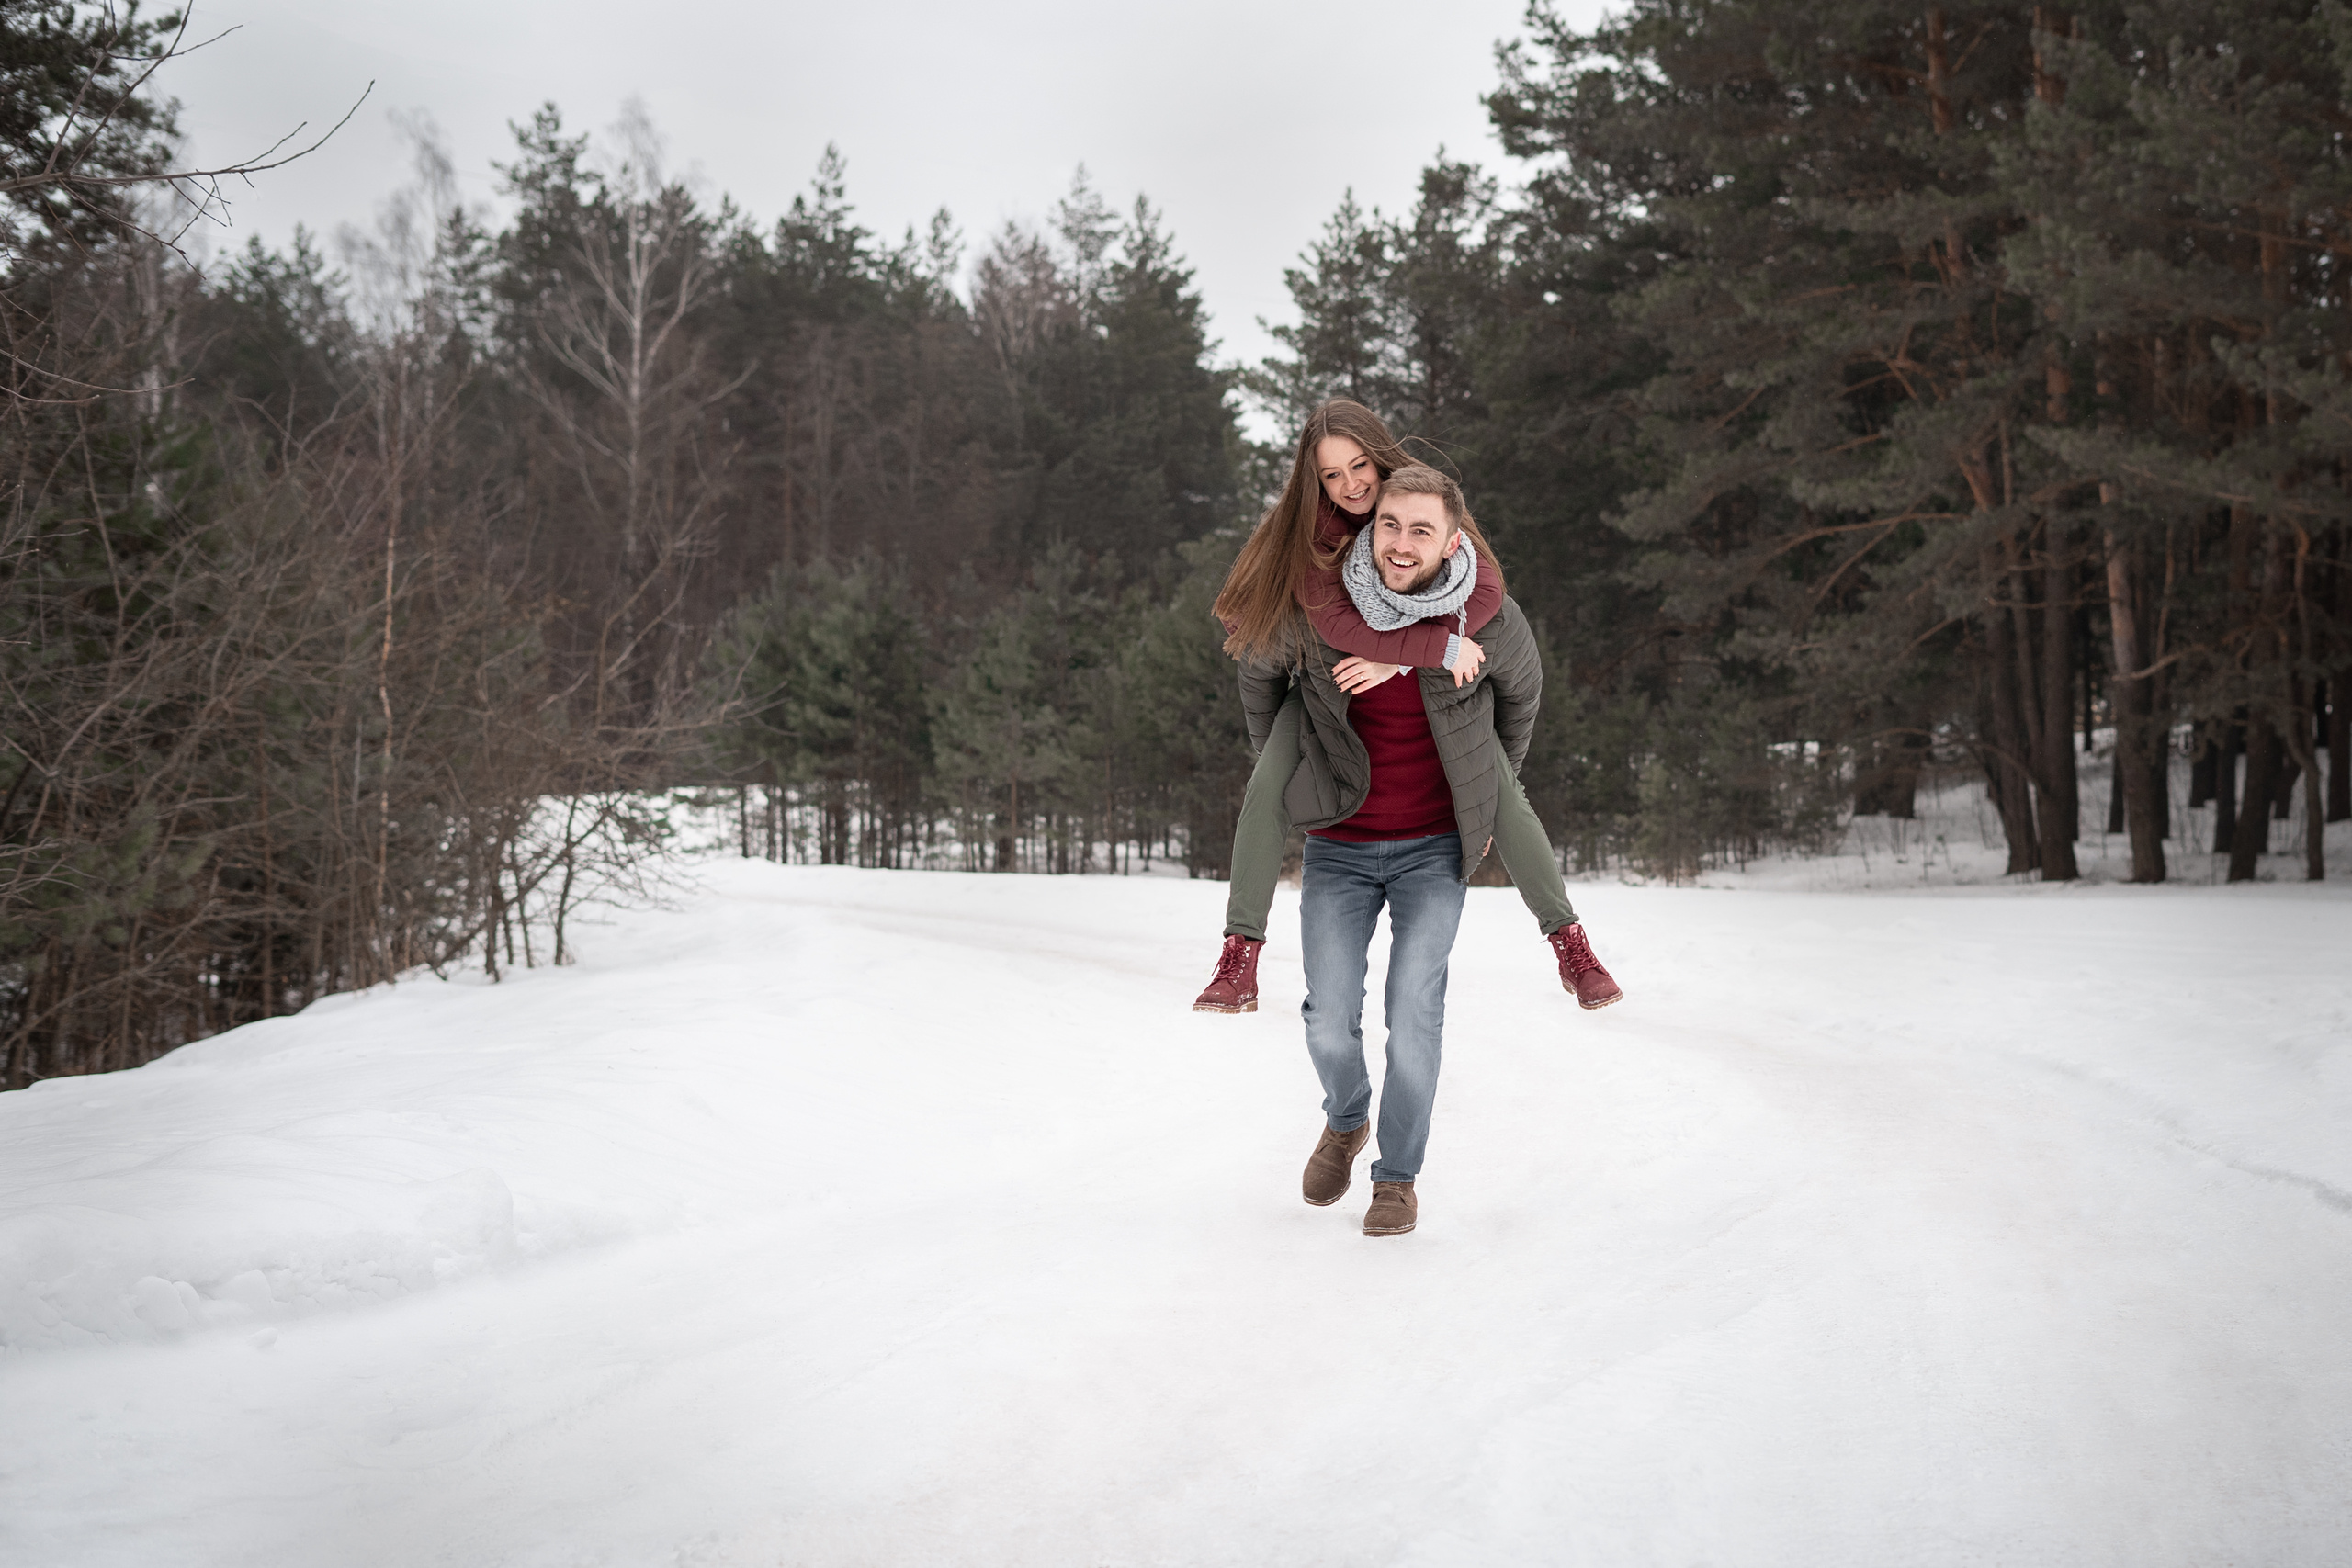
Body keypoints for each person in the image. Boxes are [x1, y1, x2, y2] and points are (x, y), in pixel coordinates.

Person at [1193, 400, 1620, 1016]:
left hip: (1438, 697)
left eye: (1359, 464)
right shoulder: (1315, 543)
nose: (1351, 485)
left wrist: (1437, 691)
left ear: (1379, 454)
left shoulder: (1416, 503)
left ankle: (1569, 941)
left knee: (1502, 790)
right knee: (1265, 787)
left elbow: (1488, 588)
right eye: (1331, 475)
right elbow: (1295, 651)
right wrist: (1285, 753)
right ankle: (1240, 953)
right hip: (1321, 690)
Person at [1239, 465, 1558, 1235]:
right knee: (1326, 1018)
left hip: (1432, 853)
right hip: (1341, 848)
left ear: (1454, 540)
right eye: (1389, 524)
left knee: (1414, 1013)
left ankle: (1397, 1178)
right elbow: (1261, 679)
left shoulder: (1488, 619)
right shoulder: (1326, 606)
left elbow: (1522, 699)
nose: (1401, 542)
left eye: (1422, 528)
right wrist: (1296, 775)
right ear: (1369, 527)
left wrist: (1488, 792)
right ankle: (1346, 1117)